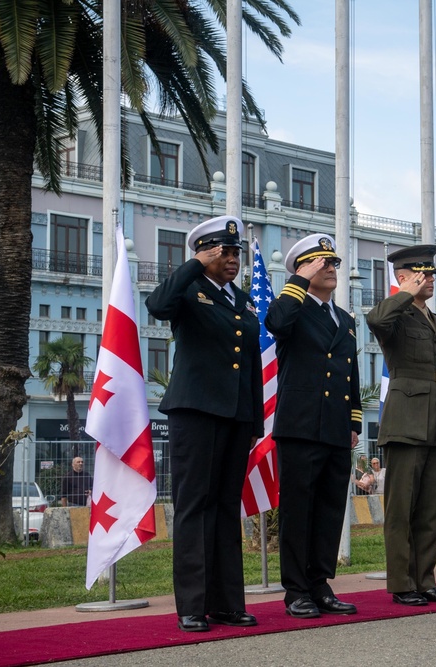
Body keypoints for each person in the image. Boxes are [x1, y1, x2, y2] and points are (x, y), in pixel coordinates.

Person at [146, 215, 262, 633]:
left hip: (235, 417)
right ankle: (192, 606)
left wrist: (254, 421)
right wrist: (194, 264)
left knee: (226, 508)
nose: (232, 259)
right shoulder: (189, 289)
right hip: (194, 413)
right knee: (194, 508)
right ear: (204, 252)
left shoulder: (243, 301)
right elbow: (157, 306)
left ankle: (228, 603)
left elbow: (249, 363)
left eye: (236, 253)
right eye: (223, 252)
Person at [266, 232, 362, 619]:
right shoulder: (291, 307)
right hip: (301, 424)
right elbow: (275, 323)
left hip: (337, 427)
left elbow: (349, 373)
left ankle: (320, 583)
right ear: (303, 268)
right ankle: (296, 590)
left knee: (328, 510)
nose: (331, 268)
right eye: (323, 263)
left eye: (334, 263)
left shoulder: (345, 318)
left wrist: (354, 418)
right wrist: (299, 281)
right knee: (298, 509)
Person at [367, 244, 436, 607]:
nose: (430, 279)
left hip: (435, 422)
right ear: (403, 277)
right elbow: (375, 320)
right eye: (421, 274)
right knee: (401, 510)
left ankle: (425, 580)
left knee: (431, 510)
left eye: (432, 273)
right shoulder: (396, 315)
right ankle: (402, 583)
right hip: (405, 422)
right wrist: (404, 292)